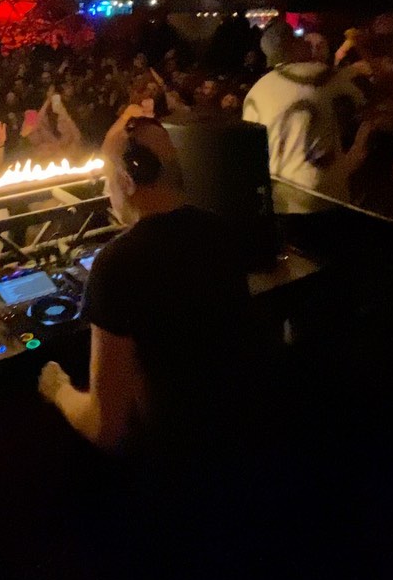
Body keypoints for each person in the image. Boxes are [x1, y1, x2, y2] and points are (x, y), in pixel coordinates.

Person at [38, 106, 254, 462]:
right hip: (242, 442)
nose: (106, 190)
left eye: (108, 178)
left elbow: (106, 429)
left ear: (127, 180)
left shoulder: (117, 265)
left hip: (173, 464)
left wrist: (58, 389)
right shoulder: (219, 230)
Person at [242, 19, 370, 211]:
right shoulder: (322, 75)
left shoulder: (255, 90)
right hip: (320, 193)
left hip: (278, 194)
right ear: (295, 45)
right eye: (301, 40)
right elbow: (362, 102)